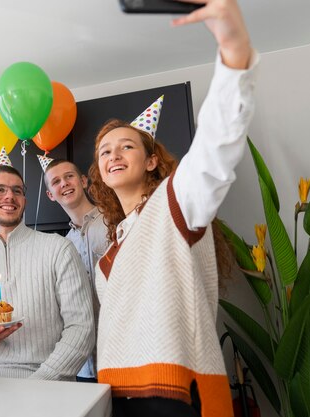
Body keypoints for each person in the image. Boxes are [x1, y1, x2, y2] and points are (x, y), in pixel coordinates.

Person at [88, 0, 258, 416]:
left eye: (126, 145)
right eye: (104, 150)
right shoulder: (110, 249)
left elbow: (216, 146)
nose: (113, 154)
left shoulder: (173, 202)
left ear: (150, 160)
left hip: (176, 393)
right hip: (118, 393)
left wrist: (234, 53)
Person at [0, 165, 94, 380]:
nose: (10, 196)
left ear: (24, 201)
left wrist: (39, 382)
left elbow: (81, 329)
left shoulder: (59, 249)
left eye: (17, 191)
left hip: (45, 382)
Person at [44, 158, 109, 383]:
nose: (64, 183)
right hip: (84, 365)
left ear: (82, 181)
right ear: (50, 194)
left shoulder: (113, 222)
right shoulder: (64, 245)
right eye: (56, 181)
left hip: (120, 352)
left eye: (69, 176)